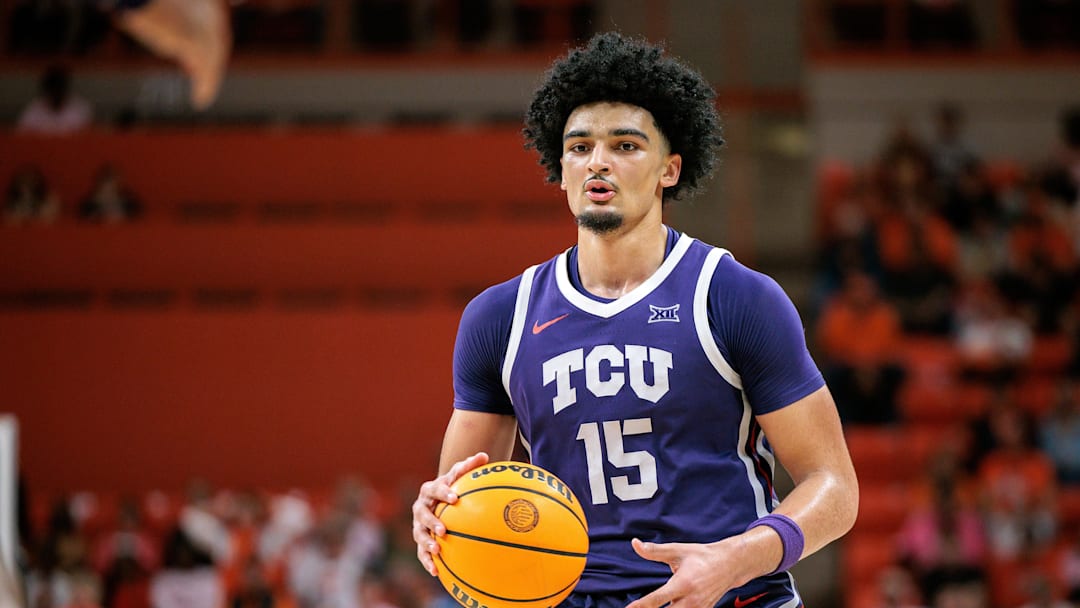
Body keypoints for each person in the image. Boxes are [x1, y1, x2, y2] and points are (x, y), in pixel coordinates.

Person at [411, 32, 859, 608]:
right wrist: (437, 518)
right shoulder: (500, 317)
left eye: (625, 145)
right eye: (580, 147)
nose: (598, 161)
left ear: (670, 169)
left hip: (734, 596)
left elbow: (835, 488)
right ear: (561, 169)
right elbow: (463, 499)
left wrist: (734, 559)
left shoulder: (734, 296)